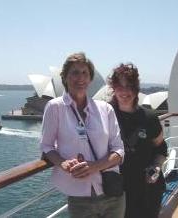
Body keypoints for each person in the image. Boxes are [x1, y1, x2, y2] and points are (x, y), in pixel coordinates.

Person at [40, 52, 125, 218]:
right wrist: (63, 163)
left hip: (112, 192)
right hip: (79, 197)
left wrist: (94, 166)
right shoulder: (55, 107)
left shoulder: (105, 109)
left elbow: (119, 150)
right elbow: (46, 145)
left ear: (90, 78)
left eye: (85, 73)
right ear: (65, 77)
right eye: (75, 72)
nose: (80, 78)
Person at [108, 63, 168, 218]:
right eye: (119, 86)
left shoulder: (149, 117)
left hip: (148, 189)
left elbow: (161, 147)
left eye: (130, 86)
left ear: (136, 88)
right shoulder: (104, 116)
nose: (125, 91)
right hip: (118, 190)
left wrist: (156, 167)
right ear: (113, 88)